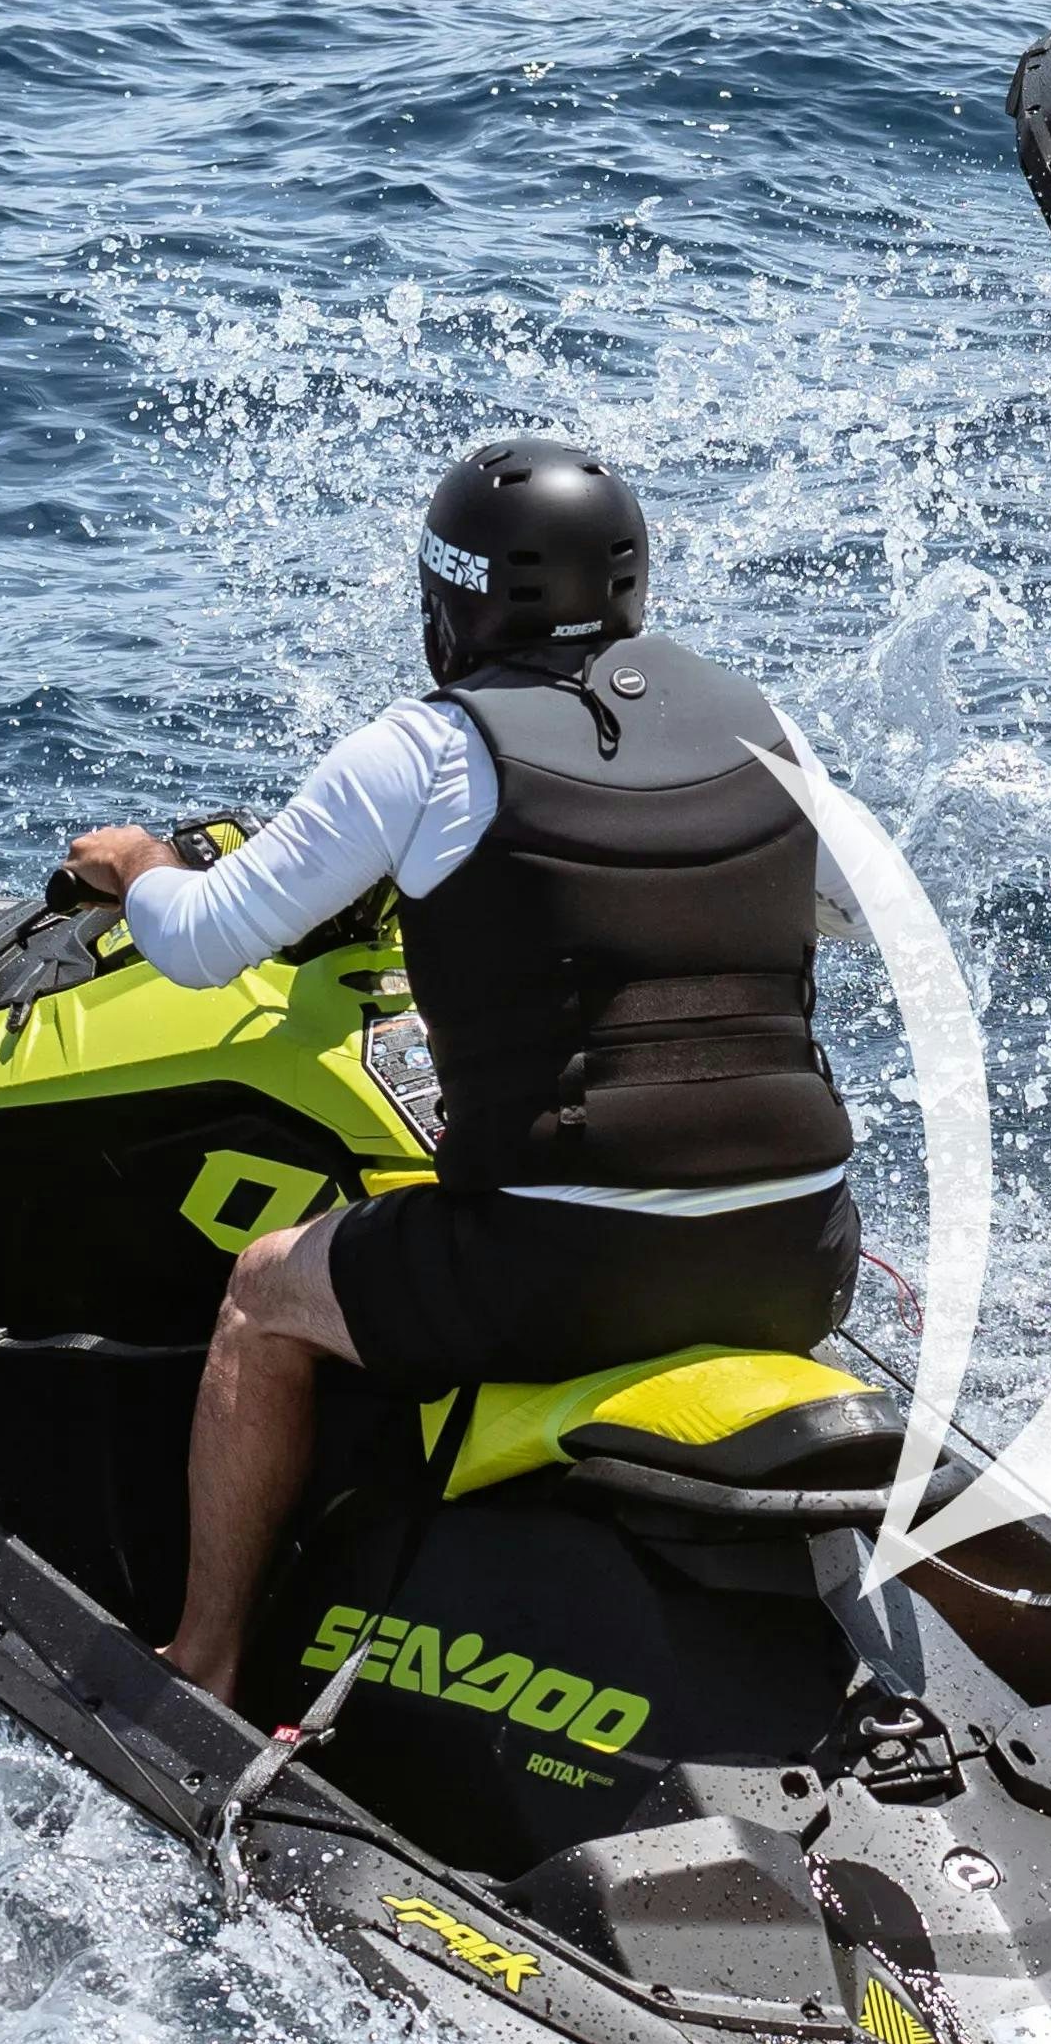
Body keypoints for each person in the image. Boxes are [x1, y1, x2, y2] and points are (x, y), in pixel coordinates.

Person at [58, 439, 859, 1709]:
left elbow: (207, 943)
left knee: (264, 1291)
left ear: (449, 603)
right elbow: (837, 914)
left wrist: (143, 862)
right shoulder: (763, 724)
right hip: (801, 1258)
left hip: (560, 1271)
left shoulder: (424, 750)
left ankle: (201, 1662)